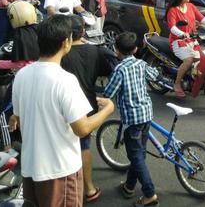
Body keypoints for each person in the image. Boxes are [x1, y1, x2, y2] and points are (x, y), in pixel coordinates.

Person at [9, 15, 115, 207]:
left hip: (31, 168)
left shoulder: (22, 75)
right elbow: (82, 128)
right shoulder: (65, 80)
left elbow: (18, 117)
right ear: (66, 42)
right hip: (61, 171)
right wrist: (108, 109)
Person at [61, 15, 113, 203]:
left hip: (65, 106)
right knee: (83, 146)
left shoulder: (61, 54)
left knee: (65, 144)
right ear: (83, 31)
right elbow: (106, 71)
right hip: (88, 106)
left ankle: (67, 188)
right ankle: (89, 188)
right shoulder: (94, 51)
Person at [103, 32, 159, 207]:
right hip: (146, 115)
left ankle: (150, 194)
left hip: (132, 120)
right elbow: (155, 75)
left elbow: (108, 94)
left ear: (116, 50)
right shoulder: (141, 64)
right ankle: (129, 187)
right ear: (135, 49)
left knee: (135, 156)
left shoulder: (120, 70)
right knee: (139, 154)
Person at [166, 0, 205, 97]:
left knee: (203, 58)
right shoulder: (172, 10)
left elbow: (202, 18)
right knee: (189, 60)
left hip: (192, 40)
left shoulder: (191, 6)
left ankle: (195, 78)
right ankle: (177, 84)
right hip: (178, 41)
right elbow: (172, 27)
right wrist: (181, 34)